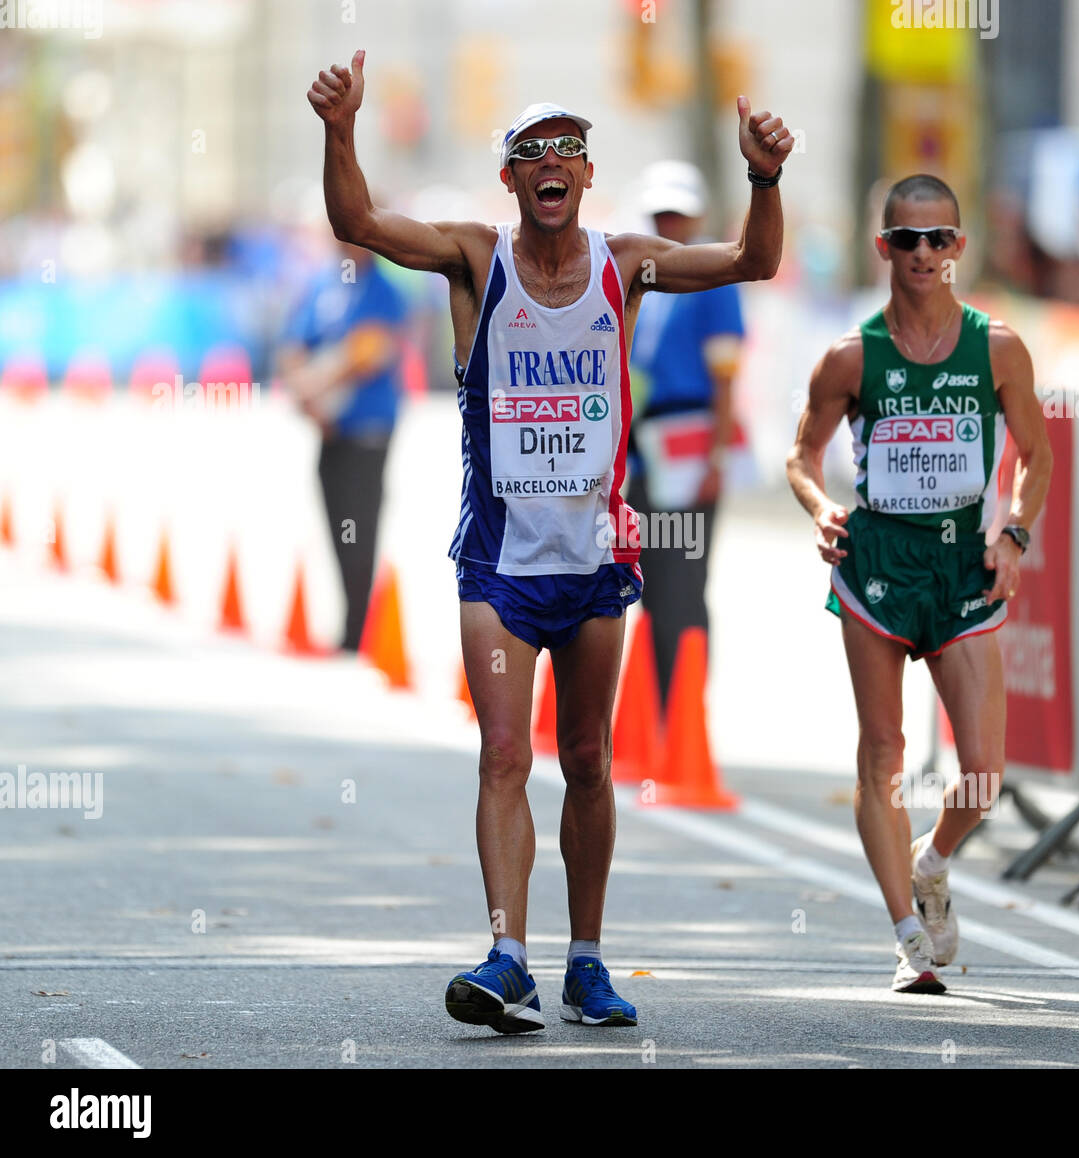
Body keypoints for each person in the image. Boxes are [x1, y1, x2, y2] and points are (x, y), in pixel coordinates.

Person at [309, 49, 794, 1032]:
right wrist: (339, 128)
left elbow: (753, 262)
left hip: (598, 559)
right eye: (534, 150)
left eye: (569, 149)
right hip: (497, 559)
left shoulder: (627, 263)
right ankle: (503, 956)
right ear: (513, 176)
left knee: (587, 760)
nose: (553, 164)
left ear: (583, 172)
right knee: (499, 753)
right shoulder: (474, 257)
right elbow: (357, 224)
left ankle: (586, 959)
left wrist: (764, 177)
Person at [786, 174, 1051, 994]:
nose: (925, 254)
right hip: (876, 565)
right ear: (884, 248)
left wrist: (1012, 536)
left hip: (960, 566)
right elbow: (801, 454)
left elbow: (1038, 456)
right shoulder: (851, 357)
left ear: (960, 248)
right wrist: (822, 505)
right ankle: (908, 937)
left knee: (982, 774)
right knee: (884, 754)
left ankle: (931, 864)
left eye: (940, 239)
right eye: (909, 239)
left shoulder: (998, 347)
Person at [625, 161, 745, 706]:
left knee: (683, 581)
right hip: (647, 453)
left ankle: (683, 705)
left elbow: (725, 377)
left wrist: (716, 460)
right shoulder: (648, 279)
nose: (668, 223)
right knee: (649, 576)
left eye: (677, 213)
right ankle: (657, 704)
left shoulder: (712, 278)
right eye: (660, 213)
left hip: (689, 449)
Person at [279, 238, 409, 652]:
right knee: (337, 522)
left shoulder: (383, 290)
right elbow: (296, 342)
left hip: (366, 427)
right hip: (330, 429)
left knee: (358, 525)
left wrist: (318, 387)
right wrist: (306, 392)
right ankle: (351, 618)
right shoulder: (324, 284)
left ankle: (358, 628)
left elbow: (372, 352)